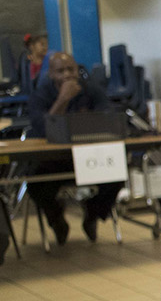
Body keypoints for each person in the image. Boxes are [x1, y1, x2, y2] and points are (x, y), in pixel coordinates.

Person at [24, 51, 125, 244]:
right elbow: (43, 128)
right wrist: (63, 100)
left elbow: (108, 118)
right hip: (53, 162)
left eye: (71, 69)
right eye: (60, 71)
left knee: (118, 176)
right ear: (51, 74)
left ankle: (92, 214)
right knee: (35, 184)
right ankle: (56, 219)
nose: (67, 74)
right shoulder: (40, 95)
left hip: (88, 159)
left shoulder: (91, 90)